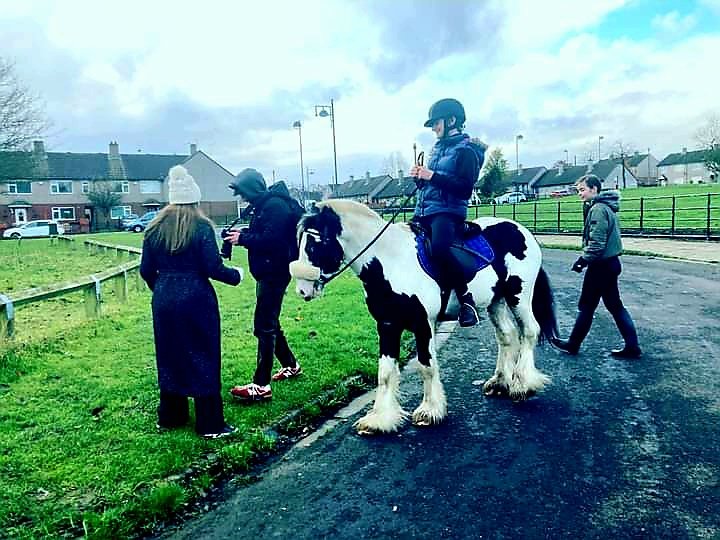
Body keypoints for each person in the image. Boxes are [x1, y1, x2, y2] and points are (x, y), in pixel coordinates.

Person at [140, 165, 243, 438]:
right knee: (203, 354)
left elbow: (146, 270)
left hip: (163, 298)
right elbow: (212, 267)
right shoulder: (201, 226)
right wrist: (237, 276)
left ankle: (171, 415)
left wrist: (162, 289)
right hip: (196, 298)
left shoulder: (153, 227)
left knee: (170, 354)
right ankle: (210, 423)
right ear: (195, 199)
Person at [226, 168, 304, 402]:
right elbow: (266, 232)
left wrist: (243, 239)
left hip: (275, 271)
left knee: (263, 326)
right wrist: (244, 233)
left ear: (251, 188)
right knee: (271, 323)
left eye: (243, 192)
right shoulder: (265, 205)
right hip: (268, 271)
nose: (242, 198)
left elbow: (275, 241)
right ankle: (291, 366)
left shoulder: (274, 206)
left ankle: (261, 385)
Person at [410, 98, 487, 327]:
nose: (434, 128)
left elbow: (464, 189)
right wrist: (419, 179)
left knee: (440, 249)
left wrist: (431, 176)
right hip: (425, 210)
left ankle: (466, 299)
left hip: (448, 212)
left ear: (451, 120)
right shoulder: (436, 149)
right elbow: (431, 184)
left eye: (436, 123)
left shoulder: (467, 151)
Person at [551, 174, 642, 359]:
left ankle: (573, 345)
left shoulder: (598, 209)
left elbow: (597, 243)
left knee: (586, 306)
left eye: (582, 190)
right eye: (578, 191)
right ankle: (632, 347)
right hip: (610, 264)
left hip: (600, 266)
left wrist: (582, 260)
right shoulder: (603, 207)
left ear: (594, 189)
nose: (580, 194)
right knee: (615, 306)